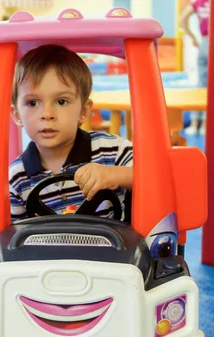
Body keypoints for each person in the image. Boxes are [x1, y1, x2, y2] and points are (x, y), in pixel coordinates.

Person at [9, 45, 134, 222]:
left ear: (83, 111)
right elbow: (13, 240)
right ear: (17, 115)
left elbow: (155, 177)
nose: (47, 114)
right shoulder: (16, 177)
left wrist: (114, 174)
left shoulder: (112, 151)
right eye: (32, 103)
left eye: (61, 101)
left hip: (114, 247)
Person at [181, 0, 210, 136]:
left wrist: (193, 37)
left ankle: (194, 124)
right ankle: (204, 125)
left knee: (201, 84)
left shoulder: (197, 3)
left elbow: (182, 19)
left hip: (204, 42)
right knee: (211, 87)